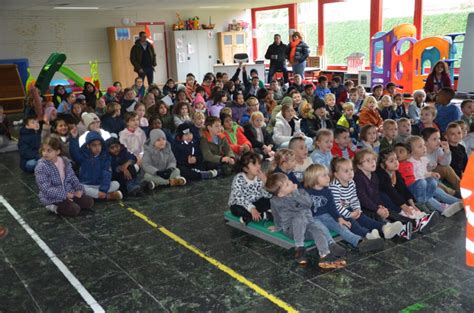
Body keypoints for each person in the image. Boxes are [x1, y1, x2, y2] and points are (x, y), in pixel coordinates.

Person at [265, 172, 347, 268]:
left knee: (318, 229)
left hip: (308, 227)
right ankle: (299, 247)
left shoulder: (301, 192)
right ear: (280, 194)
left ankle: (324, 255)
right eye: (287, 184)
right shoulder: (275, 201)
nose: (291, 183)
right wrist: (277, 226)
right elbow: (276, 215)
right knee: (299, 216)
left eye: (288, 180)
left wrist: (296, 193)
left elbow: (309, 204)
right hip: (292, 230)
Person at [303, 164, 384, 252]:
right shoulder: (306, 193)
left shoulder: (328, 191)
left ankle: (360, 242)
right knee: (322, 229)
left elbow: (332, 208)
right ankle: (332, 245)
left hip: (327, 216)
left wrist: (340, 219)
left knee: (342, 227)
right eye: (324, 175)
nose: (328, 177)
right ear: (314, 178)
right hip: (312, 218)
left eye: (327, 174)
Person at [330, 157, 403, 240]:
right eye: (346, 171)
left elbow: (354, 198)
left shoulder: (351, 182)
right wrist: (349, 214)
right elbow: (336, 206)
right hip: (337, 213)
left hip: (349, 208)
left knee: (363, 218)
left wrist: (357, 209)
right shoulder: (334, 187)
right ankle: (367, 235)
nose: (350, 173)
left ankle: (385, 228)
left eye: (351, 170)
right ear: (336, 174)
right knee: (352, 223)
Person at [35, 136, 94, 216]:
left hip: (69, 192)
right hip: (52, 197)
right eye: (43, 150)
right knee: (74, 210)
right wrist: (65, 194)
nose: (45, 153)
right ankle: (53, 207)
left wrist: (79, 189)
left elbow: (72, 177)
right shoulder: (41, 167)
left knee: (89, 202)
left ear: (58, 151)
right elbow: (46, 188)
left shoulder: (65, 161)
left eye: (49, 151)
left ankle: (70, 201)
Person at [69, 129, 123, 200]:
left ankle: (96, 196)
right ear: (88, 146)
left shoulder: (105, 158)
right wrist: (74, 138)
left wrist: (103, 190)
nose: (97, 148)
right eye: (94, 145)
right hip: (87, 185)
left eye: (99, 144)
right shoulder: (83, 156)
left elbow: (107, 174)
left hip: (100, 185)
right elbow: (74, 152)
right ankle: (107, 196)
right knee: (79, 187)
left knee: (116, 184)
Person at [228, 151, 273, 225]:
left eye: (259, 163)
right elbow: (238, 197)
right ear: (246, 169)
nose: (258, 166)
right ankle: (264, 215)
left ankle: (249, 217)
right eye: (254, 164)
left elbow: (267, 196)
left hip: (256, 202)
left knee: (272, 200)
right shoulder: (239, 178)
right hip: (241, 204)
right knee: (235, 209)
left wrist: (265, 182)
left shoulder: (260, 177)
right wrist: (251, 208)